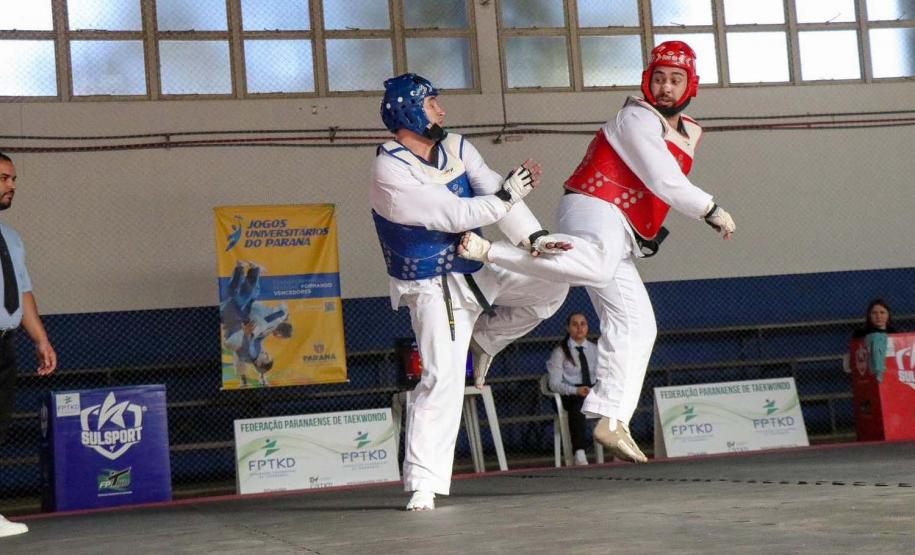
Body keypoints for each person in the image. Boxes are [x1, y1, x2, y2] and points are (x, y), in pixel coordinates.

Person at [458, 41, 737, 464]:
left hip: (620, 229)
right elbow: (663, 179)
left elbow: (656, 187)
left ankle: (610, 416)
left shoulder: (688, 131)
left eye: (675, 79)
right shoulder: (635, 117)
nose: (665, 87)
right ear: (647, 81)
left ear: (690, 85)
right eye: (659, 78)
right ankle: (489, 252)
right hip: (593, 205)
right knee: (595, 265)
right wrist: (710, 209)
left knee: (635, 322)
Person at [371, 73, 568, 510]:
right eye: (432, 104)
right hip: (429, 283)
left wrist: (534, 239)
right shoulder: (389, 169)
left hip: (476, 264)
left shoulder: (458, 146)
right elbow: (453, 213)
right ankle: (424, 482)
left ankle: (483, 341)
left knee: (554, 282)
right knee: (441, 379)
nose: (441, 110)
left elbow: (495, 189)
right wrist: (504, 198)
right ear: (407, 111)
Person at [0, 152, 57, 538]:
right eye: (4, 178)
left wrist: (41, 339)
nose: (12, 186)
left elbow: (23, 291)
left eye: (14, 179)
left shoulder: (11, 237)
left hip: (4, 343)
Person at [546, 312, 598, 466]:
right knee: (578, 405)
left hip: (592, 391)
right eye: (575, 324)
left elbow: (602, 375)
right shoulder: (560, 352)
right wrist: (575, 390)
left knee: (616, 400)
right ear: (568, 328)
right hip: (570, 394)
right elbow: (553, 383)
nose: (579, 328)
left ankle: (618, 449)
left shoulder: (595, 349)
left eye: (583, 324)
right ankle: (579, 452)